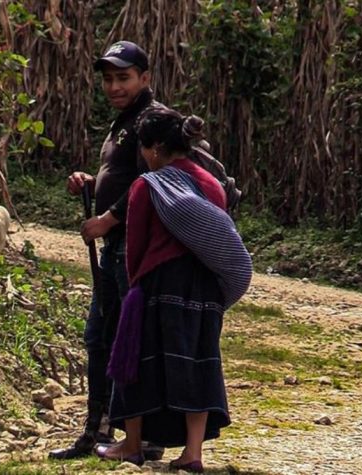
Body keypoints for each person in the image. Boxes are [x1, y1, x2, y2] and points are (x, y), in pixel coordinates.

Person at [95, 109, 252, 472]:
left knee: (134, 360)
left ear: (154, 149)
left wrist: (134, 287)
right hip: (207, 284)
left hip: (162, 283)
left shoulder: (147, 185)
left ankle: (132, 445)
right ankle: (192, 454)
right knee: (197, 361)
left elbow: (137, 245)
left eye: (143, 147)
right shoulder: (212, 183)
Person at [49, 41, 166, 461]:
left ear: (145, 77)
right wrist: (91, 184)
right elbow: (124, 177)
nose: (114, 86)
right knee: (100, 338)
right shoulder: (125, 120)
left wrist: (107, 220)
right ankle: (98, 430)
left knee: (123, 338)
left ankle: (142, 435)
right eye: (109, 79)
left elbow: (150, 182)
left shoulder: (151, 120)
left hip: (132, 247)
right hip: (116, 245)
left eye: (124, 77)